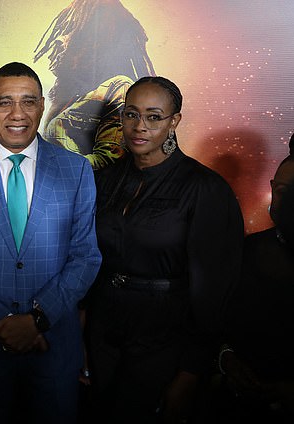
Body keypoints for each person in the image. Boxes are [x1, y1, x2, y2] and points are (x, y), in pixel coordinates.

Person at [0, 61, 102, 423]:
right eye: (5, 102)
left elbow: (86, 256)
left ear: (41, 106)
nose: (17, 113)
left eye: (28, 102)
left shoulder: (76, 170)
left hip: (53, 349)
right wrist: (4, 323)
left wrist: (37, 320)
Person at [82, 76, 245, 423]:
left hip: (165, 341)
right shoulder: (104, 180)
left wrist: (191, 372)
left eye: (154, 117)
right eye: (131, 114)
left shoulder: (205, 189)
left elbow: (214, 291)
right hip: (103, 334)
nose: (140, 126)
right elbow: (89, 261)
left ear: (174, 121)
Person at [211, 153, 294, 423]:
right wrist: (227, 359)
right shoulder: (249, 248)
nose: (285, 200)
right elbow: (219, 319)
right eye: (279, 190)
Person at [33, 0, 156, 170]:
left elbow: (107, 161)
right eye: (66, 28)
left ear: (98, 42)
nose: (61, 39)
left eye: (74, 30)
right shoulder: (67, 94)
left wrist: (55, 165)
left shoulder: (118, 88)